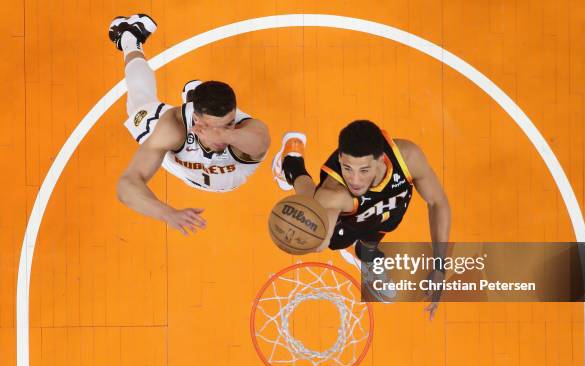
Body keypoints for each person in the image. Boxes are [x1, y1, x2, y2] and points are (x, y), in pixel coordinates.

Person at [109, 14, 270, 235]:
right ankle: (129, 37)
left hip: (217, 167)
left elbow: (260, 141)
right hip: (179, 154)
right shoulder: (173, 127)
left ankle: (196, 93)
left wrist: (226, 135)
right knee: (138, 102)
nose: (224, 131)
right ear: (196, 120)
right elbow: (126, 186)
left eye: (229, 123)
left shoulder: (247, 132)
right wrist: (167, 213)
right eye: (215, 126)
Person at [271, 120, 450, 318]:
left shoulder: (407, 158)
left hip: (384, 215)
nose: (355, 180)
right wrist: (306, 235)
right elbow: (320, 242)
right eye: (347, 168)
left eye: (364, 170)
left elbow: (437, 202)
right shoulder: (334, 193)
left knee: (380, 223)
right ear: (340, 158)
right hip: (347, 216)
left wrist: (439, 266)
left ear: (381, 159)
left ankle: (364, 252)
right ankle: (292, 164)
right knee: (319, 218)